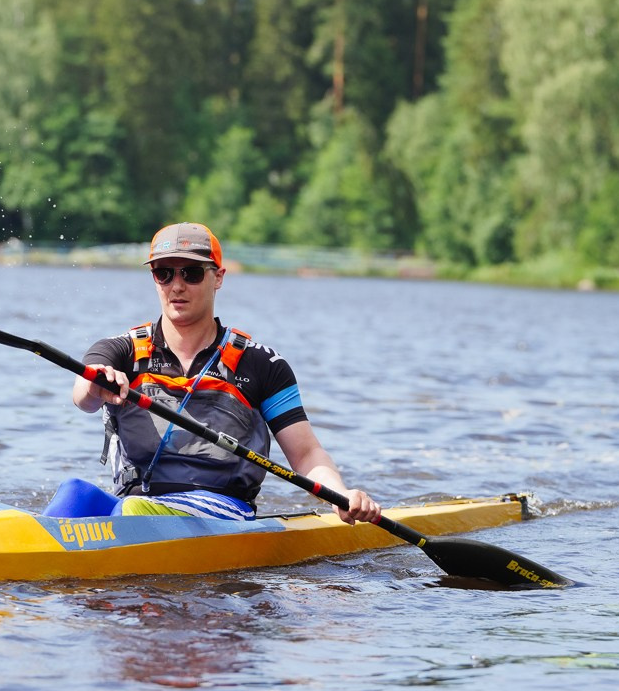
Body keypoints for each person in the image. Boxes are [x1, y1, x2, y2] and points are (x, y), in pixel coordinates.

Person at [42, 222, 381, 525]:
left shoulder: (261, 365)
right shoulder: (121, 350)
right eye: (165, 273)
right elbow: (83, 399)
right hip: (137, 501)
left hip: (221, 508)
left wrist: (341, 494)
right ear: (154, 278)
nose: (177, 285)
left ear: (218, 277)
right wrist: (97, 383)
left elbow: (306, 453)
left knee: (129, 513)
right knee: (75, 494)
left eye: (191, 273)